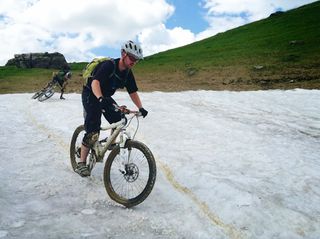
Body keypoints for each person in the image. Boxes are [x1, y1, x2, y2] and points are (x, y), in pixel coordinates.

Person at [76, 40, 148, 177]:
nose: (134, 62)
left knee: (120, 118)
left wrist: (141, 108)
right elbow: (95, 83)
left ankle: (110, 143)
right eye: (132, 58)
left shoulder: (127, 73)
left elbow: (132, 92)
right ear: (123, 54)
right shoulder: (109, 65)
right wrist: (100, 98)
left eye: (136, 60)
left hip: (105, 97)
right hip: (91, 93)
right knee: (93, 130)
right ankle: (81, 163)